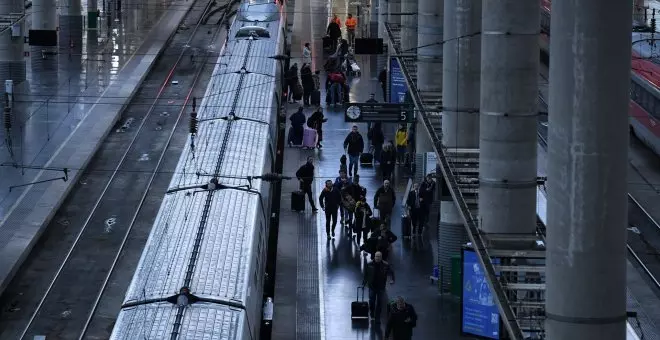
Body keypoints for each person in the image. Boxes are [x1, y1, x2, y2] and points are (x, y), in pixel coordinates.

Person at [362, 251, 395, 322]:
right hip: (372, 286)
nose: (377, 258)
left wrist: (392, 280)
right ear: (374, 256)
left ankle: (378, 316)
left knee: (380, 302)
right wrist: (363, 284)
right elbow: (366, 275)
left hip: (381, 287)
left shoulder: (386, 265)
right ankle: (372, 314)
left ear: (381, 257)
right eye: (376, 256)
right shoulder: (369, 264)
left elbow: (391, 273)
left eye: (379, 256)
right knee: (372, 302)